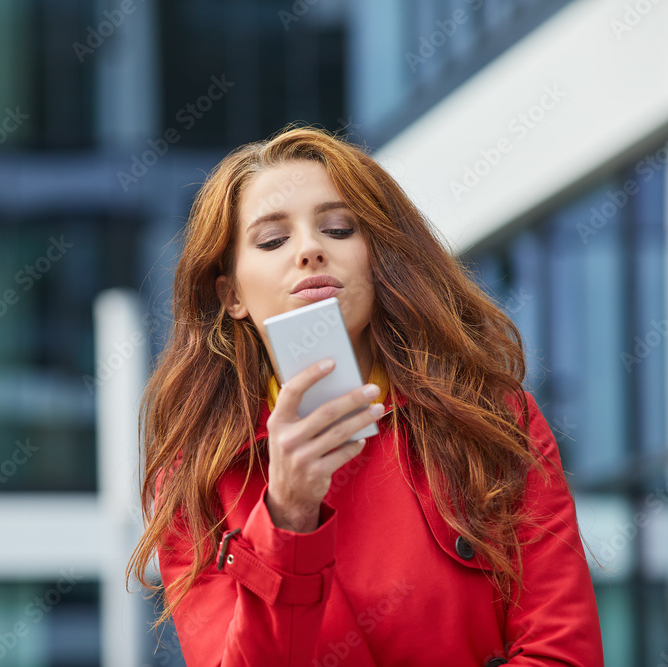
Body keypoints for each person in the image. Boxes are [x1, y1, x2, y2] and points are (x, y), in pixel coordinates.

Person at [127, 124, 604, 666]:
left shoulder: (491, 419)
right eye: (272, 240)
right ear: (231, 294)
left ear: (378, 259)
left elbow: (563, 652)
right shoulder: (198, 480)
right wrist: (287, 516)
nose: (309, 250)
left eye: (337, 229)